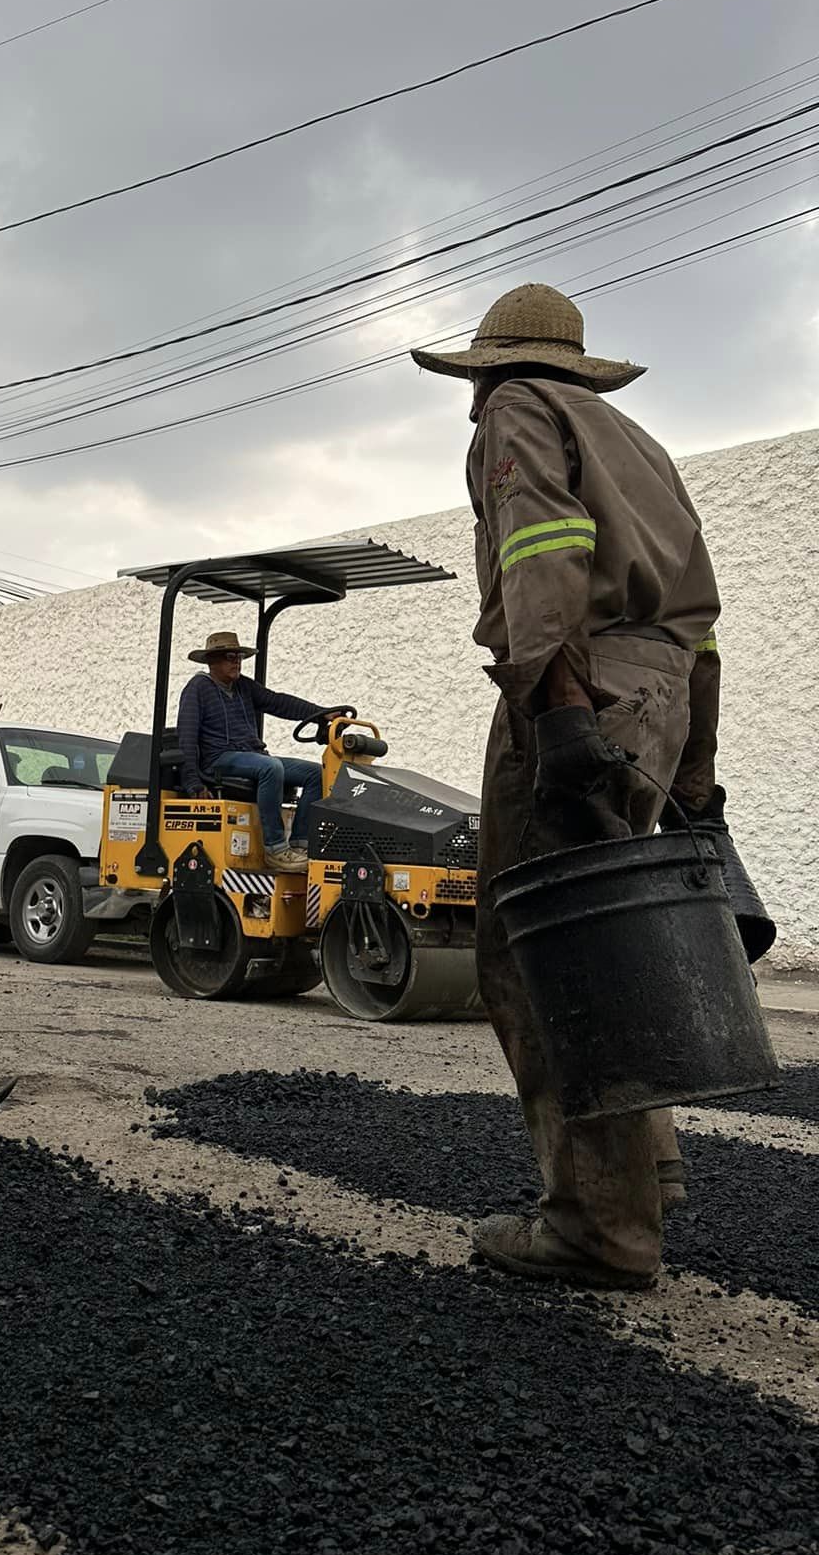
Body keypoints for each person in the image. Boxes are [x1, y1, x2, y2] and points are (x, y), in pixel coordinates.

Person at [412, 282, 720, 1289]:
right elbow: (700, 626)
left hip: (578, 685)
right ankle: (645, 1174)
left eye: (472, 381)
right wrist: (700, 773)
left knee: (537, 953)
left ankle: (596, 1225)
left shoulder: (517, 411)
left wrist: (558, 714)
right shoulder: (635, 438)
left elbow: (542, 558)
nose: (469, 402)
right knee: (615, 940)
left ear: (488, 369)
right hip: (661, 695)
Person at [175, 629, 352, 871]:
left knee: (315, 773)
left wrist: (322, 713)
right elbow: (186, 737)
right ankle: (276, 849)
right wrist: (193, 783)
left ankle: (300, 845)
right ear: (212, 661)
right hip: (217, 760)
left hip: (251, 757)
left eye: (238, 656)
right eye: (230, 656)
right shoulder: (197, 689)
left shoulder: (243, 687)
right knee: (270, 767)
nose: (236, 661)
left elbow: (278, 702)